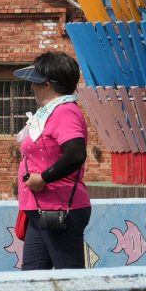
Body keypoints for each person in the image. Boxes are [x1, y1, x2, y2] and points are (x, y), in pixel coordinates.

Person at [15, 51, 92, 270]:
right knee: (32, 281)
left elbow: (76, 153)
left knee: (70, 279)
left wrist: (44, 178)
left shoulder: (64, 112)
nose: (32, 87)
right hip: (41, 209)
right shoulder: (48, 113)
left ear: (47, 84)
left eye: (35, 82)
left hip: (59, 209)